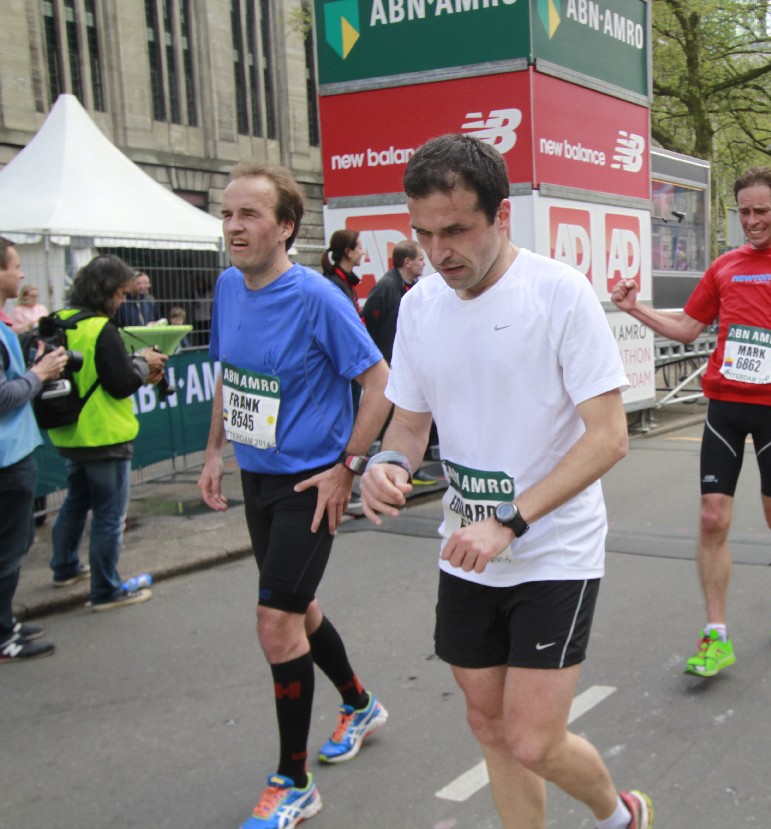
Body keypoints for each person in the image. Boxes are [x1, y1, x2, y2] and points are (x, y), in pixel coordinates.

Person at [360, 134, 652, 829]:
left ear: (502, 217)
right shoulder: (420, 306)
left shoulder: (558, 294)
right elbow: (410, 424)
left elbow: (608, 437)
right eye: (424, 233)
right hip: (466, 549)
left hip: (553, 549)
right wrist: (387, 464)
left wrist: (510, 521)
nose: (439, 251)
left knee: (532, 739)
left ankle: (620, 815)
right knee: (489, 726)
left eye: (457, 230)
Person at [197, 162, 392, 829]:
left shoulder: (318, 298)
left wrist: (348, 468)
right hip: (257, 476)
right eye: (227, 214)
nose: (233, 227)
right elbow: (229, 374)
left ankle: (294, 779)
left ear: (285, 226)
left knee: (274, 621)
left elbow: (379, 383)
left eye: (248, 214)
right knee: (298, 608)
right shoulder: (228, 285)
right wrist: (215, 451)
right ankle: (360, 704)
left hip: (309, 484)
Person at [611, 165, 771, 678]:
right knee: (712, 517)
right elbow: (687, 328)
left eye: (761, 211)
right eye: (744, 212)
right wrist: (636, 309)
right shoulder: (726, 266)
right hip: (724, 405)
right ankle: (716, 635)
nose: (752, 221)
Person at [47, 255, 167, 608]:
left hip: (70, 433)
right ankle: (105, 590)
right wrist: (143, 362)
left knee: (76, 501)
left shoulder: (60, 320)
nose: (123, 300)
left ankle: (65, 567)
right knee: (110, 516)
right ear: (107, 291)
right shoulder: (102, 329)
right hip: (106, 436)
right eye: (121, 293)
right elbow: (121, 383)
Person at [0, 236, 69, 663]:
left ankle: (5, 622)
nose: (22, 273)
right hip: (6, 461)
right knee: (9, 549)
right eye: (15, 266)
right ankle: (3, 636)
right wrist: (39, 374)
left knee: (18, 541)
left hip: (14, 455)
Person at [361, 239, 424, 365]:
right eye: (420, 260)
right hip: (386, 361)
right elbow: (368, 322)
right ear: (407, 262)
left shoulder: (415, 287)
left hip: (407, 359)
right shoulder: (386, 287)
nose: (424, 264)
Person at [321, 229, 365, 312]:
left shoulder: (346, 282)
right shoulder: (334, 284)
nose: (363, 253)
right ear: (348, 252)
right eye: (360, 248)